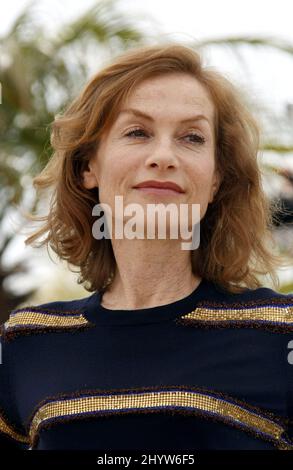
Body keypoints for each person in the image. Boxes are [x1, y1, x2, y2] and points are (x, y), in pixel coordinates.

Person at [0, 43, 292, 451]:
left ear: (215, 180)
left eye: (192, 137)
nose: (164, 156)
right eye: (137, 132)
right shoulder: (24, 344)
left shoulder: (281, 333)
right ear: (89, 167)